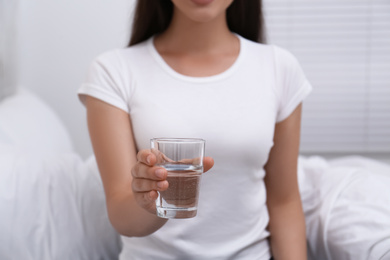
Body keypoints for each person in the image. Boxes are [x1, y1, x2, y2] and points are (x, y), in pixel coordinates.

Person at [78, 0, 311, 259]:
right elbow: (123, 217)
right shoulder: (113, 71)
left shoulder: (279, 68)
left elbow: (284, 202)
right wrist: (150, 200)